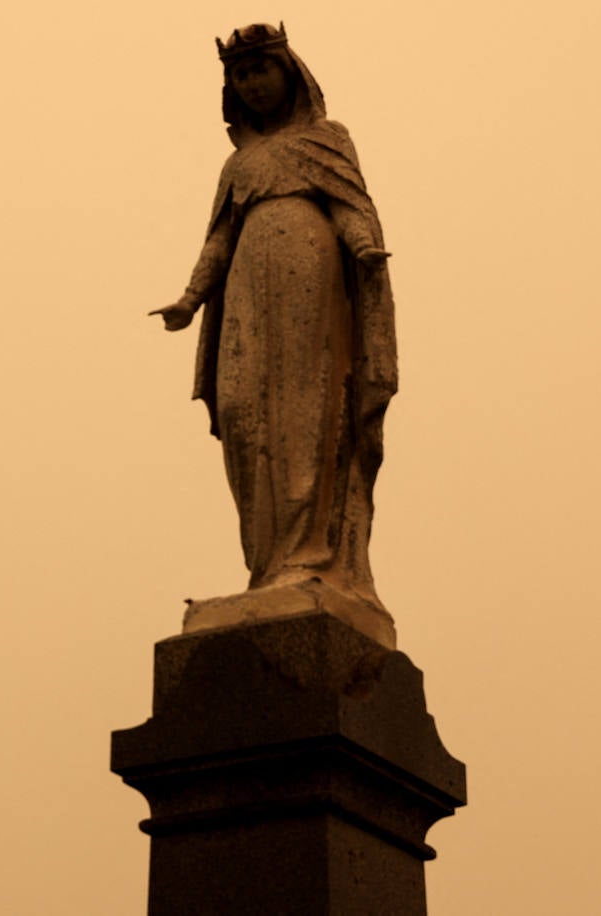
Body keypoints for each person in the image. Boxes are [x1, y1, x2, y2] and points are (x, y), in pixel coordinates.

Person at [150, 23, 399, 622]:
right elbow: (219, 239)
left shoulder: (326, 139)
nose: (253, 83)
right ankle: (267, 564)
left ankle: (309, 557)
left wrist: (365, 246)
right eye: (242, 75)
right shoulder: (239, 164)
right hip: (244, 293)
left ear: (290, 74)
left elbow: (350, 206)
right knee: (243, 413)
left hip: (309, 280)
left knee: (304, 410)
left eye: (262, 70)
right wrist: (189, 298)